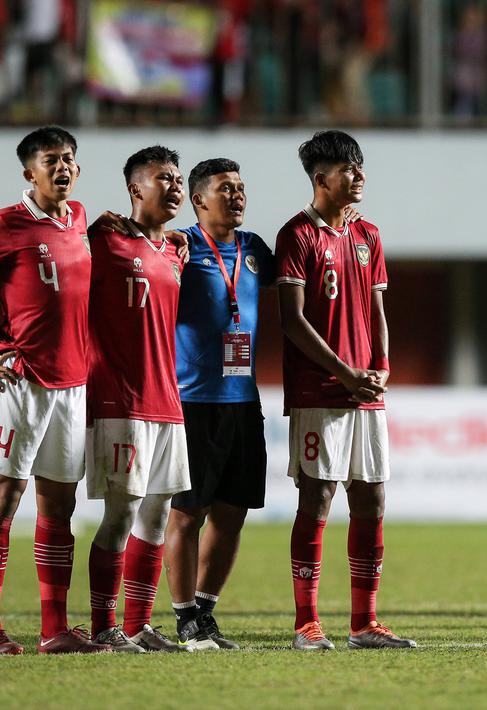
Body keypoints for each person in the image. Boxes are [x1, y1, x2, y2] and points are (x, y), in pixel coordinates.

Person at [0, 126, 109, 655]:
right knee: (4, 499)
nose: (62, 167)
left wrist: (6, 315)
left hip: (73, 383)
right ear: (28, 172)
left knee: (59, 508)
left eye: (69, 159)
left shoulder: (79, 217)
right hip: (21, 381)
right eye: (51, 160)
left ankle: (54, 629)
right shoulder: (5, 223)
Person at [276, 130, 415, 650]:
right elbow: (291, 321)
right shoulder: (296, 236)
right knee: (317, 499)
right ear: (320, 178)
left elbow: (377, 311)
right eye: (349, 170)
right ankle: (306, 623)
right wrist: (344, 373)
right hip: (319, 393)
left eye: (360, 168)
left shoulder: (368, 235)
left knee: (372, 499)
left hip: (365, 393)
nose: (359, 178)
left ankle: (364, 622)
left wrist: (379, 368)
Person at [83, 146, 190, 653]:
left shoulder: (175, 251)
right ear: (134, 189)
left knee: (157, 515)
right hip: (119, 399)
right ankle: (104, 627)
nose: (175, 186)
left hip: (168, 401)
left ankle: (138, 624)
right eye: (163, 178)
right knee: (121, 514)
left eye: (178, 179)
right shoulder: (103, 240)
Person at [165, 158, 275, 651]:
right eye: (225, 188)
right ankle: (184, 616)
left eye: (241, 187)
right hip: (192, 400)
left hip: (243, 400)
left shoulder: (254, 249)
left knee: (233, 513)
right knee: (188, 513)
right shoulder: (178, 247)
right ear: (198, 199)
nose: (237, 196)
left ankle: (205, 612)